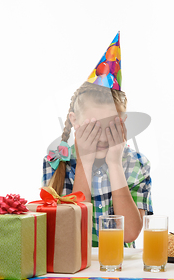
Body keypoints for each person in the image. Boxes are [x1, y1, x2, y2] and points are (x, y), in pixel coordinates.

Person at [42, 33, 153, 247]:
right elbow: (69, 232)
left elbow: (129, 233)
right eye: (93, 127)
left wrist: (114, 164)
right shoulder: (55, 161)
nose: (102, 137)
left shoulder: (137, 164)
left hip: (119, 271)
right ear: (74, 121)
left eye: (111, 127)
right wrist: (84, 162)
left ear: (123, 123)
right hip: (72, 266)